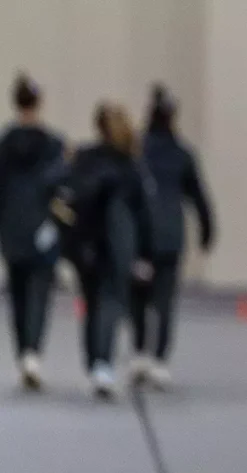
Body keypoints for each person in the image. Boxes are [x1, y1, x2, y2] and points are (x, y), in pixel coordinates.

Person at [50, 102, 155, 399]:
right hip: (116, 246)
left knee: (92, 303)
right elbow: (143, 213)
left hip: (85, 243)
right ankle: (103, 363)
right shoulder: (130, 165)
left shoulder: (84, 158)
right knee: (109, 303)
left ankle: (95, 361)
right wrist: (145, 253)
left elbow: (63, 194)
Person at [131, 84, 214, 388]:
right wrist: (207, 230)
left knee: (138, 296)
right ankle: (159, 360)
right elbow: (198, 196)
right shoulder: (182, 153)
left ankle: (140, 351)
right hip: (170, 235)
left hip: (140, 235)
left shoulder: (137, 150)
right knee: (164, 300)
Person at [0, 72, 67, 390]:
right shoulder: (54, 145)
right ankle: (33, 353)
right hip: (43, 225)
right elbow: (63, 187)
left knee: (17, 293)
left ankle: (22, 352)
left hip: (11, 226)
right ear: (38, 103)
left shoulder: (5, 143)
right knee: (39, 292)